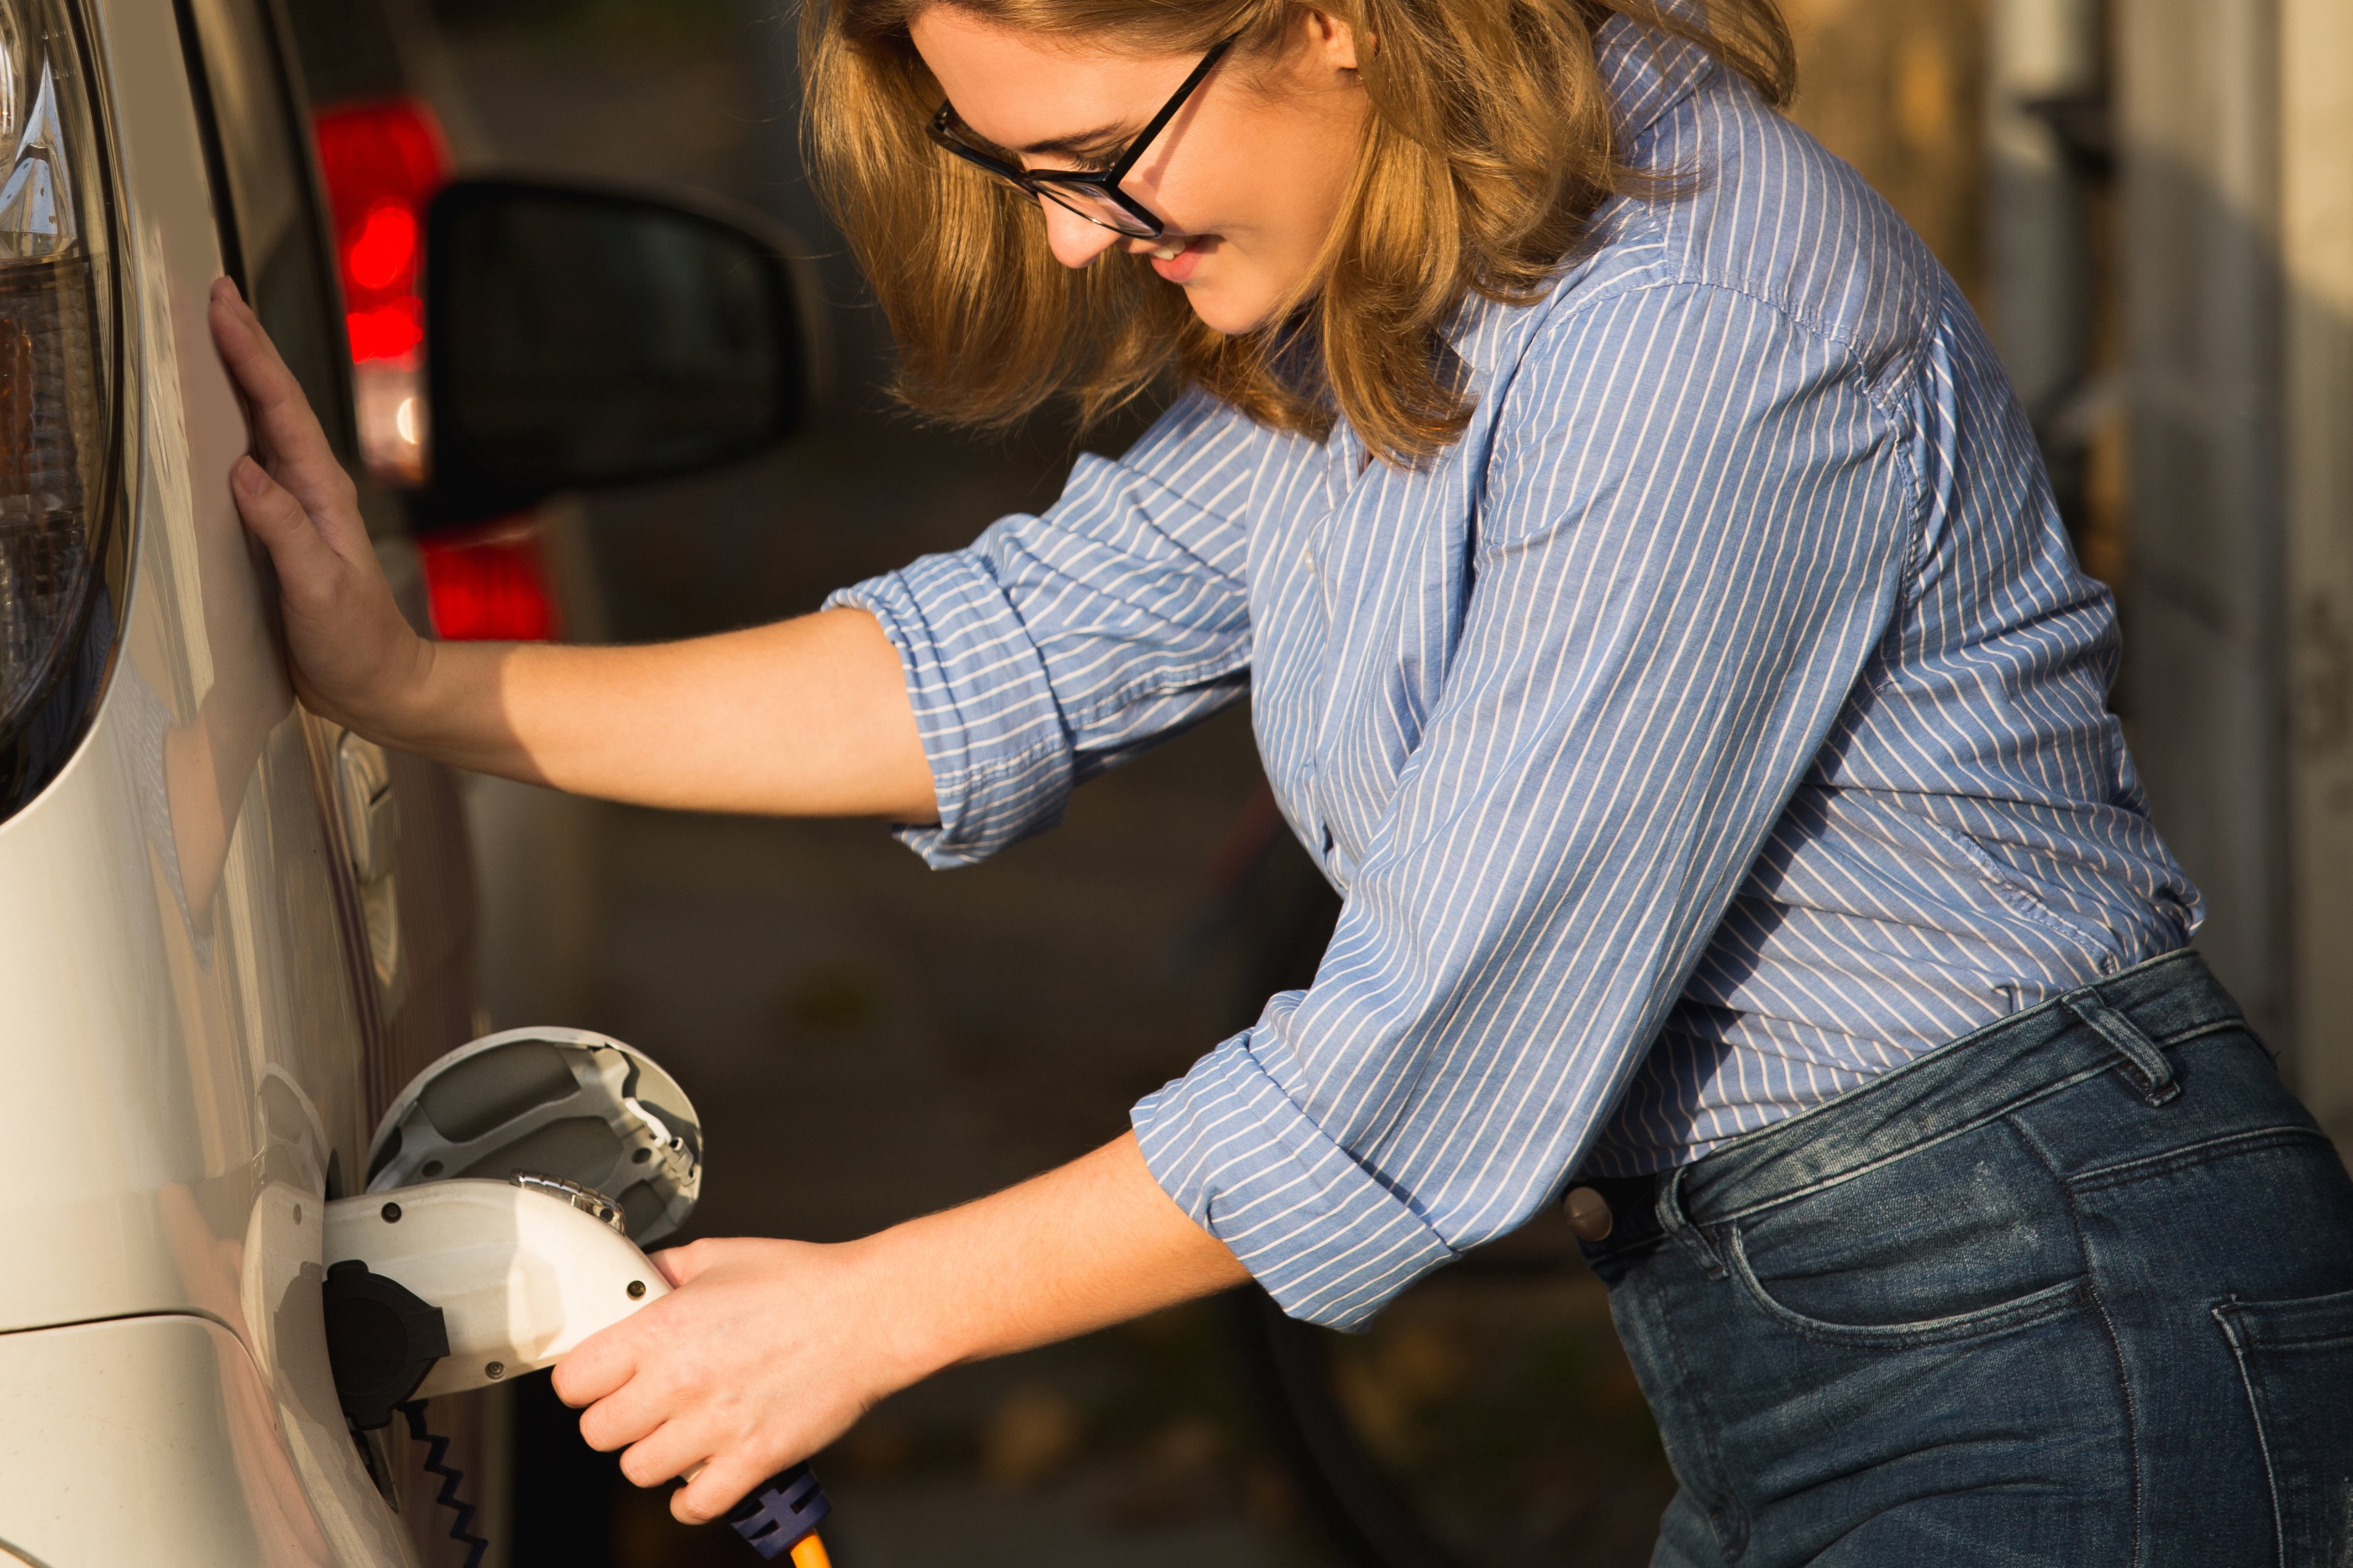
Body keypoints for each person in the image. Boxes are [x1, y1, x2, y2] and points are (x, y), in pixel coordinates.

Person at [210, 1, 2353, 1561]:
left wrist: (874, 1310)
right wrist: (417, 690)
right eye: (1016, 175)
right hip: (1831, 1316)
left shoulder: (1696, 325)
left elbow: (1434, 1041)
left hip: (2055, 1319)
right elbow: (1019, 651)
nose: (1066, 244)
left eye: (1088, 161)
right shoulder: (1434, 259)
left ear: (1323, 22)